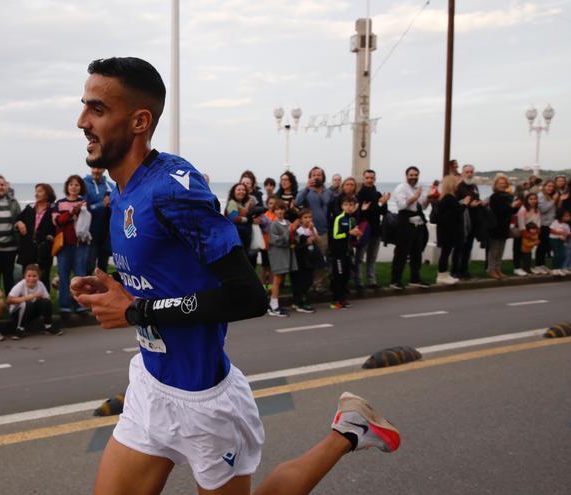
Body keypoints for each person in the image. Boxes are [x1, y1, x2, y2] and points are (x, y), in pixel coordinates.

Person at [71, 56, 399, 495]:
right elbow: (168, 274)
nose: (81, 122)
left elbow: (247, 296)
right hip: (150, 384)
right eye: (84, 107)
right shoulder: (122, 189)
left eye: (96, 109)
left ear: (138, 121)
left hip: (204, 403)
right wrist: (115, 287)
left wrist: (136, 310)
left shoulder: (173, 188)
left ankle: (350, 430)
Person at [53, 174, 91, 316]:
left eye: (77, 185)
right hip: (63, 245)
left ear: (80, 187)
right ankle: (64, 306)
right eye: (71, 185)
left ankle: (80, 304)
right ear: (67, 187)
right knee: (63, 275)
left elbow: (85, 222)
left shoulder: (83, 202)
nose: (74, 187)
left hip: (80, 244)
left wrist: (72, 214)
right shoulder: (59, 203)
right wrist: (71, 212)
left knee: (80, 276)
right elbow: (58, 221)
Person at [390, 166, 431, 290]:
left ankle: (415, 278)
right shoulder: (401, 188)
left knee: (416, 251)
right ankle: (395, 280)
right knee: (401, 252)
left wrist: (429, 198)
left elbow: (422, 207)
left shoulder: (418, 188)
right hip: (404, 220)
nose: (413, 177)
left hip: (417, 220)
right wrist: (415, 197)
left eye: (415, 175)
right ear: (406, 176)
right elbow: (402, 206)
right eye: (411, 175)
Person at [296, 167, 333, 289]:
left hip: (324, 232)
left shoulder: (329, 192)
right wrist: (307, 188)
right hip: (309, 231)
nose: (317, 177)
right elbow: (297, 203)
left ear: (323, 177)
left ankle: (318, 284)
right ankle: (308, 284)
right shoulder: (306, 191)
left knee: (321, 260)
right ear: (310, 177)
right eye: (314, 175)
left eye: (319, 175)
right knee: (309, 259)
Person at [17, 183, 57, 284]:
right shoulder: (29, 207)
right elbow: (17, 219)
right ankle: (27, 299)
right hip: (28, 248)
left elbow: (58, 226)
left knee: (43, 278)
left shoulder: (54, 209)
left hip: (44, 248)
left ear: (47, 194)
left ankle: (44, 299)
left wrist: (53, 237)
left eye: (40, 191)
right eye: (36, 191)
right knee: (27, 277)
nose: (36, 194)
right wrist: (19, 223)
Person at [356, 169, 389, 289]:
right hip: (363, 229)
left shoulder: (378, 194)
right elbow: (365, 211)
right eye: (367, 178)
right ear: (364, 179)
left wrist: (384, 203)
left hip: (376, 229)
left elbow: (384, 212)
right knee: (359, 258)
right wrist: (379, 204)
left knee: (372, 258)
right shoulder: (360, 194)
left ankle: (371, 281)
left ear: (375, 179)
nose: (370, 180)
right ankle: (358, 281)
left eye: (372, 178)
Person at [6, 263, 59, 339]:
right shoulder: (21, 285)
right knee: (27, 304)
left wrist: (41, 297)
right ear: (24, 276)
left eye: (34, 276)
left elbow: (47, 299)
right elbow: (9, 300)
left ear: (38, 277)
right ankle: (19, 329)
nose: (31, 279)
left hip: (31, 312)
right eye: (29, 276)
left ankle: (48, 326)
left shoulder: (40, 284)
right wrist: (30, 297)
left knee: (46, 302)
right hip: (17, 313)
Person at [486, 174, 522, 280]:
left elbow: (510, 212)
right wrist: (511, 206)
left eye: (504, 183)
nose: (502, 185)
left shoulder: (508, 196)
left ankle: (498, 269)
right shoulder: (494, 197)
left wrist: (516, 207)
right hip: (495, 226)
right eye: (500, 183)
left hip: (504, 226)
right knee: (494, 250)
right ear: (496, 185)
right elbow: (499, 211)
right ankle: (491, 269)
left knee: (501, 249)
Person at [328, 196, 362, 309]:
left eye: (351, 205)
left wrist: (357, 235)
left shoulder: (352, 219)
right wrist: (349, 233)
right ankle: (335, 300)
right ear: (342, 206)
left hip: (348, 251)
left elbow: (353, 237)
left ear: (354, 207)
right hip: (338, 252)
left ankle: (342, 299)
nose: (349, 207)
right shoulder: (338, 218)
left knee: (346, 275)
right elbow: (335, 235)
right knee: (339, 275)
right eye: (346, 205)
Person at [454, 164, 485, 279]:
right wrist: (468, 204)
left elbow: (476, 199)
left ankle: (464, 271)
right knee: (459, 248)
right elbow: (455, 203)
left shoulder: (474, 186)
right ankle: (455, 271)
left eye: (471, 172)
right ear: (462, 173)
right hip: (462, 222)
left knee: (468, 248)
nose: (469, 174)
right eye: (467, 172)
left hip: (473, 221)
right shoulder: (459, 187)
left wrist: (480, 202)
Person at [435, 175, 467, 285]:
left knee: (446, 252)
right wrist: (465, 204)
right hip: (447, 231)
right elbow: (457, 212)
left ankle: (444, 274)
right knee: (445, 252)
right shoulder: (449, 198)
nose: (458, 185)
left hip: (445, 230)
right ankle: (442, 274)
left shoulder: (445, 198)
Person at [84, 167, 115, 273]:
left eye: (99, 168)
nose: (96, 171)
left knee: (103, 267)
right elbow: (84, 209)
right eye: (94, 168)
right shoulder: (84, 185)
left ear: (104, 169)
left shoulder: (111, 186)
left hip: (106, 234)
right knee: (89, 266)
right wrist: (102, 204)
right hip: (90, 233)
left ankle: (103, 289)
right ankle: (86, 289)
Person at [266, 199, 293, 317]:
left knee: (280, 279)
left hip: (286, 254)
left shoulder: (287, 222)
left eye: (282, 209)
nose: (280, 211)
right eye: (277, 209)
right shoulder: (274, 224)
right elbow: (275, 240)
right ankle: (274, 306)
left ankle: (274, 303)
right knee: (276, 279)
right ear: (274, 211)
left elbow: (292, 237)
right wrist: (289, 232)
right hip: (277, 254)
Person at [290, 209, 319, 313]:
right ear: (301, 220)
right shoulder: (299, 231)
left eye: (309, 217)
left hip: (310, 257)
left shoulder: (313, 228)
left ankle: (300, 300)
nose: (308, 219)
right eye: (305, 217)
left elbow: (317, 240)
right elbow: (297, 245)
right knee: (302, 281)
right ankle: (300, 302)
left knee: (309, 280)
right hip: (301, 258)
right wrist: (306, 242)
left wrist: (312, 232)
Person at [512, 193, 540, 276]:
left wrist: (537, 231)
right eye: (531, 199)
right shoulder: (523, 209)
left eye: (535, 199)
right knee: (518, 250)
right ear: (527, 200)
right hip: (522, 232)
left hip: (532, 232)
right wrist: (525, 233)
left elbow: (538, 221)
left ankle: (527, 267)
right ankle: (517, 268)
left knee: (528, 251)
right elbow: (521, 222)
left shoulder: (536, 209)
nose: (533, 201)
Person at [534, 180, 558, 274]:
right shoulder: (540, 196)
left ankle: (542, 264)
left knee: (546, 246)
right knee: (541, 246)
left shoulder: (550, 196)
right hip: (543, 224)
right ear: (544, 186)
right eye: (549, 186)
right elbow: (543, 209)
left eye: (552, 186)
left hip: (550, 224)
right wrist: (553, 201)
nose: (551, 188)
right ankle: (538, 265)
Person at [549, 209, 571, 276]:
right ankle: (554, 269)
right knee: (556, 254)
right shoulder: (555, 222)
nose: (568, 218)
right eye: (566, 216)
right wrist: (559, 232)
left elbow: (568, 234)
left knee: (562, 255)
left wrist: (565, 236)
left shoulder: (567, 225)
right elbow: (552, 230)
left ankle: (559, 268)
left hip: (562, 241)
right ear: (561, 216)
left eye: (569, 216)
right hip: (554, 240)